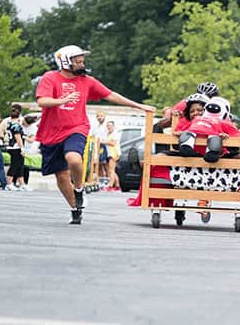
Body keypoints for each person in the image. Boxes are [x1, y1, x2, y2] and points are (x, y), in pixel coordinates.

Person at [35, 45, 155, 225]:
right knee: (61, 176)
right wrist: (62, 100)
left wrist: (139, 106)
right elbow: (42, 101)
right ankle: (75, 209)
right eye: (78, 60)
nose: (82, 63)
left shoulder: (87, 81)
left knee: (74, 159)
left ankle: (79, 189)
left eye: (83, 60)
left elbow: (111, 95)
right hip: (51, 133)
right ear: (66, 61)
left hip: (77, 127)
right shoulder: (50, 78)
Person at [3, 104, 27, 191]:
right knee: (14, 165)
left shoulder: (9, 124)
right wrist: (22, 148)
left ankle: (22, 184)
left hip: (11, 146)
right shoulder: (16, 126)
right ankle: (9, 183)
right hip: (15, 147)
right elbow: (18, 138)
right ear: (19, 115)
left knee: (20, 166)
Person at [21, 114, 41, 190]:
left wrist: (23, 136)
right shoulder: (20, 124)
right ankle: (17, 181)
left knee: (25, 166)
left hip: (29, 149)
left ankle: (25, 183)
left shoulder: (33, 128)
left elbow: (31, 140)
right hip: (21, 147)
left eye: (25, 123)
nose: (23, 124)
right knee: (18, 166)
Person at [90, 110, 109, 187]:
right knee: (99, 166)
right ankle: (102, 182)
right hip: (97, 148)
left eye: (101, 116)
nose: (99, 118)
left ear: (104, 116)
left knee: (106, 166)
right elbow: (93, 136)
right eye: (98, 116)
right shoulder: (96, 126)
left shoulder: (106, 126)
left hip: (105, 147)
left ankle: (109, 183)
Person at [103, 121, 122, 191]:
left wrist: (103, 142)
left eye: (110, 125)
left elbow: (113, 143)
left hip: (114, 153)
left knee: (111, 170)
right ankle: (117, 185)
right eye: (107, 125)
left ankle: (110, 185)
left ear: (113, 126)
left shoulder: (115, 133)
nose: (109, 127)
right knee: (112, 171)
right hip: (109, 153)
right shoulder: (107, 134)